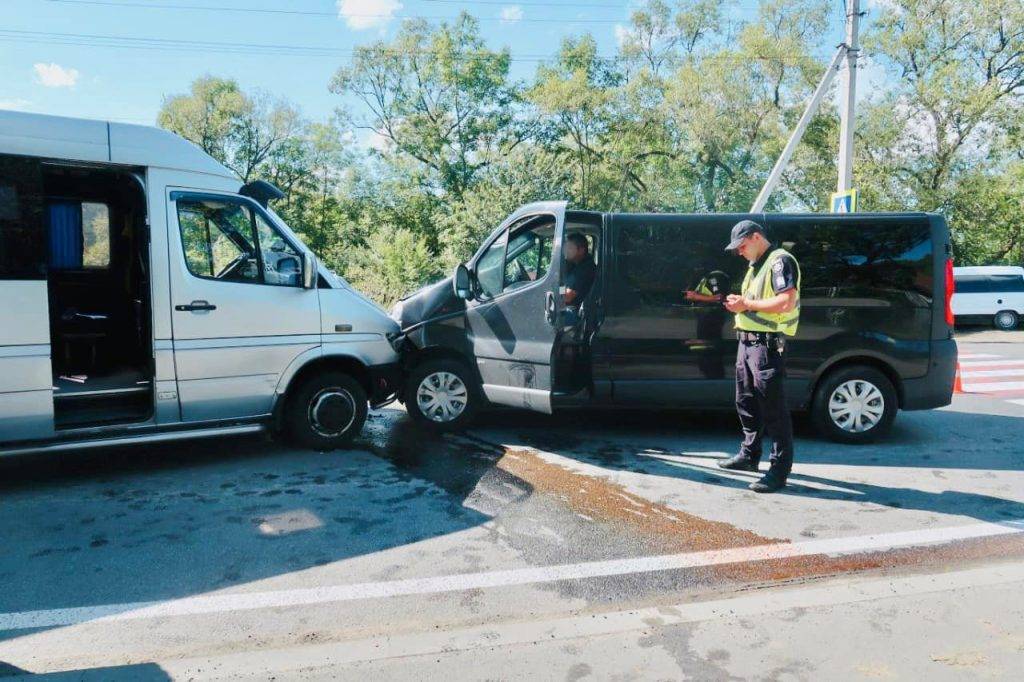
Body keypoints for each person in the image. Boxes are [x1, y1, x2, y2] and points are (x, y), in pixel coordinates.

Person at [719, 220, 801, 493]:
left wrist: (746, 304)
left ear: (756, 237)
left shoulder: (780, 261)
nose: (739, 252)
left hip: (766, 347)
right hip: (748, 344)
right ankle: (749, 455)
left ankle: (779, 471)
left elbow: (786, 301)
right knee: (746, 402)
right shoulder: (756, 266)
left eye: (742, 246)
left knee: (773, 410)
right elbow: (754, 304)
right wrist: (740, 305)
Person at [685, 269, 731, 379]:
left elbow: (719, 297)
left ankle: (714, 379)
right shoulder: (703, 279)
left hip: (711, 320)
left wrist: (696, 297)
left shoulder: (715, 277)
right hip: (704, 319)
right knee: (704, 352)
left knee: (710, 354)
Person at [563, 233, 596, 307]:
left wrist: (557, 288)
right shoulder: (574, 265)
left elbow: (567, 296)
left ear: (581, 250)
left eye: (570, 248)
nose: (566, 251)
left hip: (576, 313)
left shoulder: (586, 269)